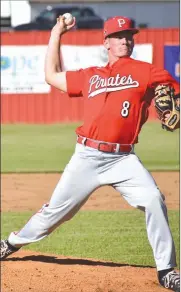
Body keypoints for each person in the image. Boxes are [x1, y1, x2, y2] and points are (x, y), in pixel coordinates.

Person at [1, 15, 180, 292]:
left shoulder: (147, 71)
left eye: (129, 35)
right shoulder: (91, 75)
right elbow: (50, 76)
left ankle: (166, 270)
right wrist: (56, 32)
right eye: (119, 36)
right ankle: (12, 243)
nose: (125, 40)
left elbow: (174, 92)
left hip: (123, 159)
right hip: (86, 156)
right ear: (106, 41)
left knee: (154, 199)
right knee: (54, 214)